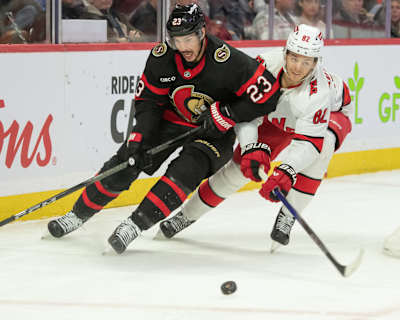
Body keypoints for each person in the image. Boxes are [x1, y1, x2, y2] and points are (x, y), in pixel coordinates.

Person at [47, 4, 281, 254]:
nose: (183, 47)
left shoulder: (227, 60)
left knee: (187, 171)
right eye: (177, 40)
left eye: (188, 39)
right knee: (128, 160)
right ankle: (77, 215)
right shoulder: (162, 56)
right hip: (171, 121)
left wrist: (229, 114)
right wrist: (140, 136)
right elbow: (149, 101)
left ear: (202, 32)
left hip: (214, 132)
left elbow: (269, 95)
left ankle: (134, 225)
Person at [159, 24, 353, 251]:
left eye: (307, 62)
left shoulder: (318, 92)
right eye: (294, 58)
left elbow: (309, 144)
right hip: (277, 117)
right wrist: (251, 147)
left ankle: (289, 214)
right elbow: (244, 112)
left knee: (322, 150)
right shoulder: (264, 66)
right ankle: (186, 215)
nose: (298, 68)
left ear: (316, 63)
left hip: (332, 116)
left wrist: (287, 170)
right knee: (239, 169)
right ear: (285, 52)